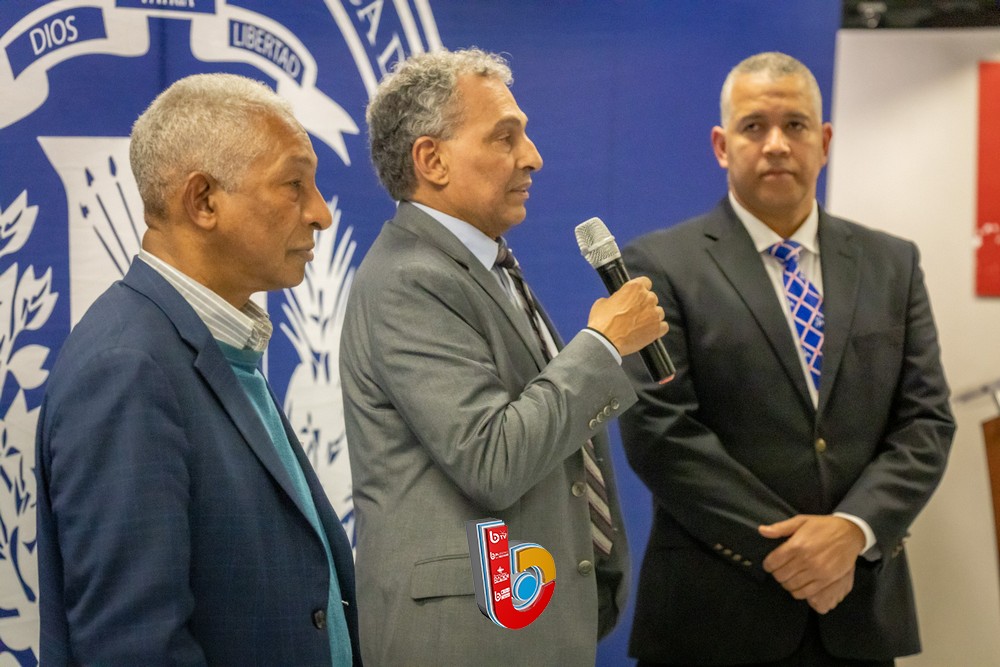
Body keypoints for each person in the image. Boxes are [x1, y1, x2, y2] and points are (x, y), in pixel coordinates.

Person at [619, 52, 955, 667]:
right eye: (754, 126)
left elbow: (926, 421)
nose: (776, 144)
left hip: (857, 615)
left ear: (823, 142)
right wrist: (796, 553)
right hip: (713, 618)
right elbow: (659, 429)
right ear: (722, 146)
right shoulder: (660, 265)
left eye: (795, 125)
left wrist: (851, 531)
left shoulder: (893, 264)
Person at [340, 48, 667, 665]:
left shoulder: (483, 264)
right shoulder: (409, 279)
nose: (533, 156)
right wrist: (602, 347)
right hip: (465, 640)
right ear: (432, 159)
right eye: (504, 136)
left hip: (527, 621)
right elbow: (491, 459)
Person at [35, 73, 361, 665]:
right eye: (294, 184)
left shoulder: (214, 344)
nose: (320, 213)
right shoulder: (126, 370)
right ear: (204, 201)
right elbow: (134, 647)